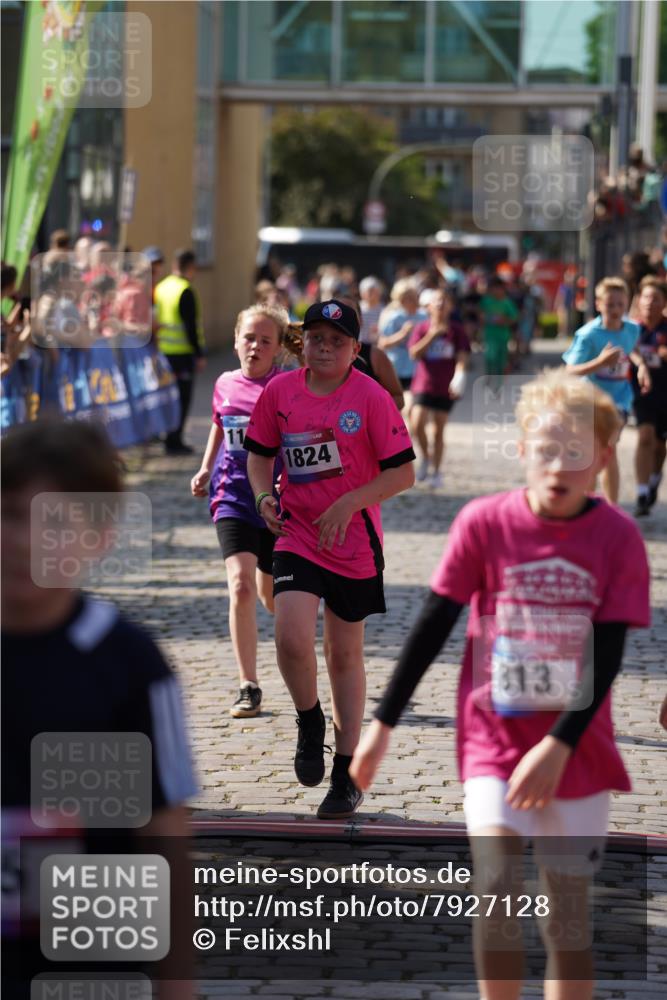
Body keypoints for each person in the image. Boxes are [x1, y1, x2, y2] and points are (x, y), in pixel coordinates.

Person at [351, 368, 650, 1000]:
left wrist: (560, 743)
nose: (557, 466)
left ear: (600, 458)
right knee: (494, 894)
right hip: (494, 737)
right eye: (545, 450)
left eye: (575, 453)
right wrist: (381, 725)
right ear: (522, 451)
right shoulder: (485, 523)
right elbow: (433, 625)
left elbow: (611, 649)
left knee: (566, 920)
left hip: (576, 745)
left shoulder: (618, 538)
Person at [1, 419, 197, 999]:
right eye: (11, 513)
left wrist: (177, 984)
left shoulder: (126, 667)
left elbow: (163, 838)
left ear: (101, 538)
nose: (25, 540)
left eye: (57, 523)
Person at [244, 299, 415, 819]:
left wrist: (349, 502)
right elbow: (258, 455)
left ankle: (345, 772)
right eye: (316, 338)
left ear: (353, 349)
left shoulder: (371, 397)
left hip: (353, 541)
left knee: (344, 654)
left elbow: (402, 474)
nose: (324, 348)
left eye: (336, 341)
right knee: (291, 636)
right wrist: (262, 497)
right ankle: (308, 720)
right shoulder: (281, 391)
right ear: (303, 343)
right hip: (296, 531)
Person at [191, 304, 300, 718]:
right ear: (236, 341)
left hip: (276, 502)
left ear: (277, 349)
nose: (255, 346)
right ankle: (248, 684)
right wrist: (205, 468)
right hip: (232, 497)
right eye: (249, 338)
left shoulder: (287, 386)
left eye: (265, 340)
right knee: (239, 584)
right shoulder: (223, 383)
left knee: (271, 598)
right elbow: (220, 423)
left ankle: (288, 619)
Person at [563, 276, 651, 503]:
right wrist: (600, 363)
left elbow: (633, 349)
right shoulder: (588, 335)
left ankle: (610, 509)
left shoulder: (632, 329)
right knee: (593, 453)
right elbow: (569, 371)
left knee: (607, 449)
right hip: (590, 401)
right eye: (610, 304)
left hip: (619, 401)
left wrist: (641, 365)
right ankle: (587, 503)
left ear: (627, 305)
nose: (615, 309)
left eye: (620, 305)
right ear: (598, 304)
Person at [408, 287, 470, 489]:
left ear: (451, 306)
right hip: (424, 383)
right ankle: (425, 457)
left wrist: (459, 376)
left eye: (445, 301)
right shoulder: (422, 328)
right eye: (437, 301)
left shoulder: (457, 331)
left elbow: (462, 356)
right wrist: (432, 335)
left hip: (445, 386)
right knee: (416, 424)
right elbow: (414, 354)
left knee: (438, 430)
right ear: (429, 306)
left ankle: (436, 471)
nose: (441, 305)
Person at [155, 248, 206, 454]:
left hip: (161, 352)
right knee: (182, 398)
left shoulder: (161, 287)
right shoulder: (185, 290)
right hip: (182, 354)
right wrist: (200, 353)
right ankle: (174, 440)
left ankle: (167, 435)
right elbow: (190, 326)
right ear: (190, 267)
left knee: (166, 397)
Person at [631, 275, 667, 516]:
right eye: (646, 297)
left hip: (666, 393)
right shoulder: (632, 329)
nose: (649, 303)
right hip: (641, 392)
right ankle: (642, 492)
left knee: (660, 446)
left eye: (655, 298)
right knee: (645, 437)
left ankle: (654, 478)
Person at [378, 279, 427, 403]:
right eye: (407, 298)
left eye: (414, 296)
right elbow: (383, 344)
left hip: (417, 367)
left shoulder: (424, 316)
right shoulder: (394, 317)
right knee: (397, 404)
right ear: (400, 300)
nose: (413, 300)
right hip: (396, 368)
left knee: (413, 403)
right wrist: (403, 333)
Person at [479, 275, 519, 392]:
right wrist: (484, 319)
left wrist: (504, 321)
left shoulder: (507, 302)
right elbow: (480, 313)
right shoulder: (486, 301)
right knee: (490, 358)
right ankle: (489, 378)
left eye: (499, 289)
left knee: (501, 361)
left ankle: (499, 384)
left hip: (503, 336)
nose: (497, 291)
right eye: (494, 289)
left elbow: (514, 317)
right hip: (490, 336)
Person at [358, 276, 384, 345]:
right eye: (369, 291)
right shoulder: (357, 308)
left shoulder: (384, 310)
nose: (371, 294)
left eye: (374, 291)